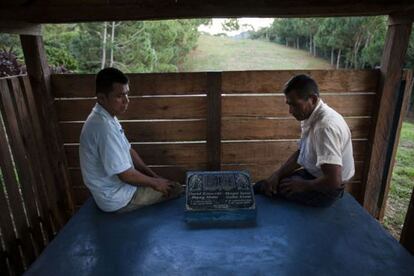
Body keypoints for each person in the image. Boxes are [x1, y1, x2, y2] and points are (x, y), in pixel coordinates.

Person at [79, 67, 182, 213]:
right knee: (175, 189)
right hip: (117, 199)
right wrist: (156, 183)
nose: (126, 101)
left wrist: (153, 177)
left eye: (127, 94)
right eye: (120, 96)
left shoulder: (106, 116)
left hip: (116, 190)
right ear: (102, 98)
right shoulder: (103, 127)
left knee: (164, 184)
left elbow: (129, 150)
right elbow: (126, 175)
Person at [254, 74, 355, 207]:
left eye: (295, 105)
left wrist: (303, 185)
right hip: (314, 175)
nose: (290, 111)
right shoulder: (312, 115)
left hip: (328, 190)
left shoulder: (324, 127)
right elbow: (302, 152)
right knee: (270, 183)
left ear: (312, 99)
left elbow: (334, 181)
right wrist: (277, 175)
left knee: (265, 189)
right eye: (289, 104)